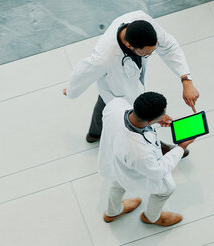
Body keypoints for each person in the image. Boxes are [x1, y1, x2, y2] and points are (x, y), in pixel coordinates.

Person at [62, 10, 199, 157]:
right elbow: (83, 72)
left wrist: (186, 80)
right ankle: (152, 144)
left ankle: (94, 134)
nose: (150, 55)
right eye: (146, 53)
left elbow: (169, 46)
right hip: (114, 89)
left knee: (103, 105)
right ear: (129, 45)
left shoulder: (143, 21)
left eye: (153, 50)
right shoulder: (104, 58)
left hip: (123, 88)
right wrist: (71, 90)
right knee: (128, 116)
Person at [98, 91, 194, 227]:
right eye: (162, 114)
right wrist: (181, 147)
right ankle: (151, 217)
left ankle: (112, 212)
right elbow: (158, 172)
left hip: (116, 159)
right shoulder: (139, 152)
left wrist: (154, 121)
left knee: (117, 183)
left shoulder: (115, 105)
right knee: (166, 189)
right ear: (149, 120)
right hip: (132, 166)